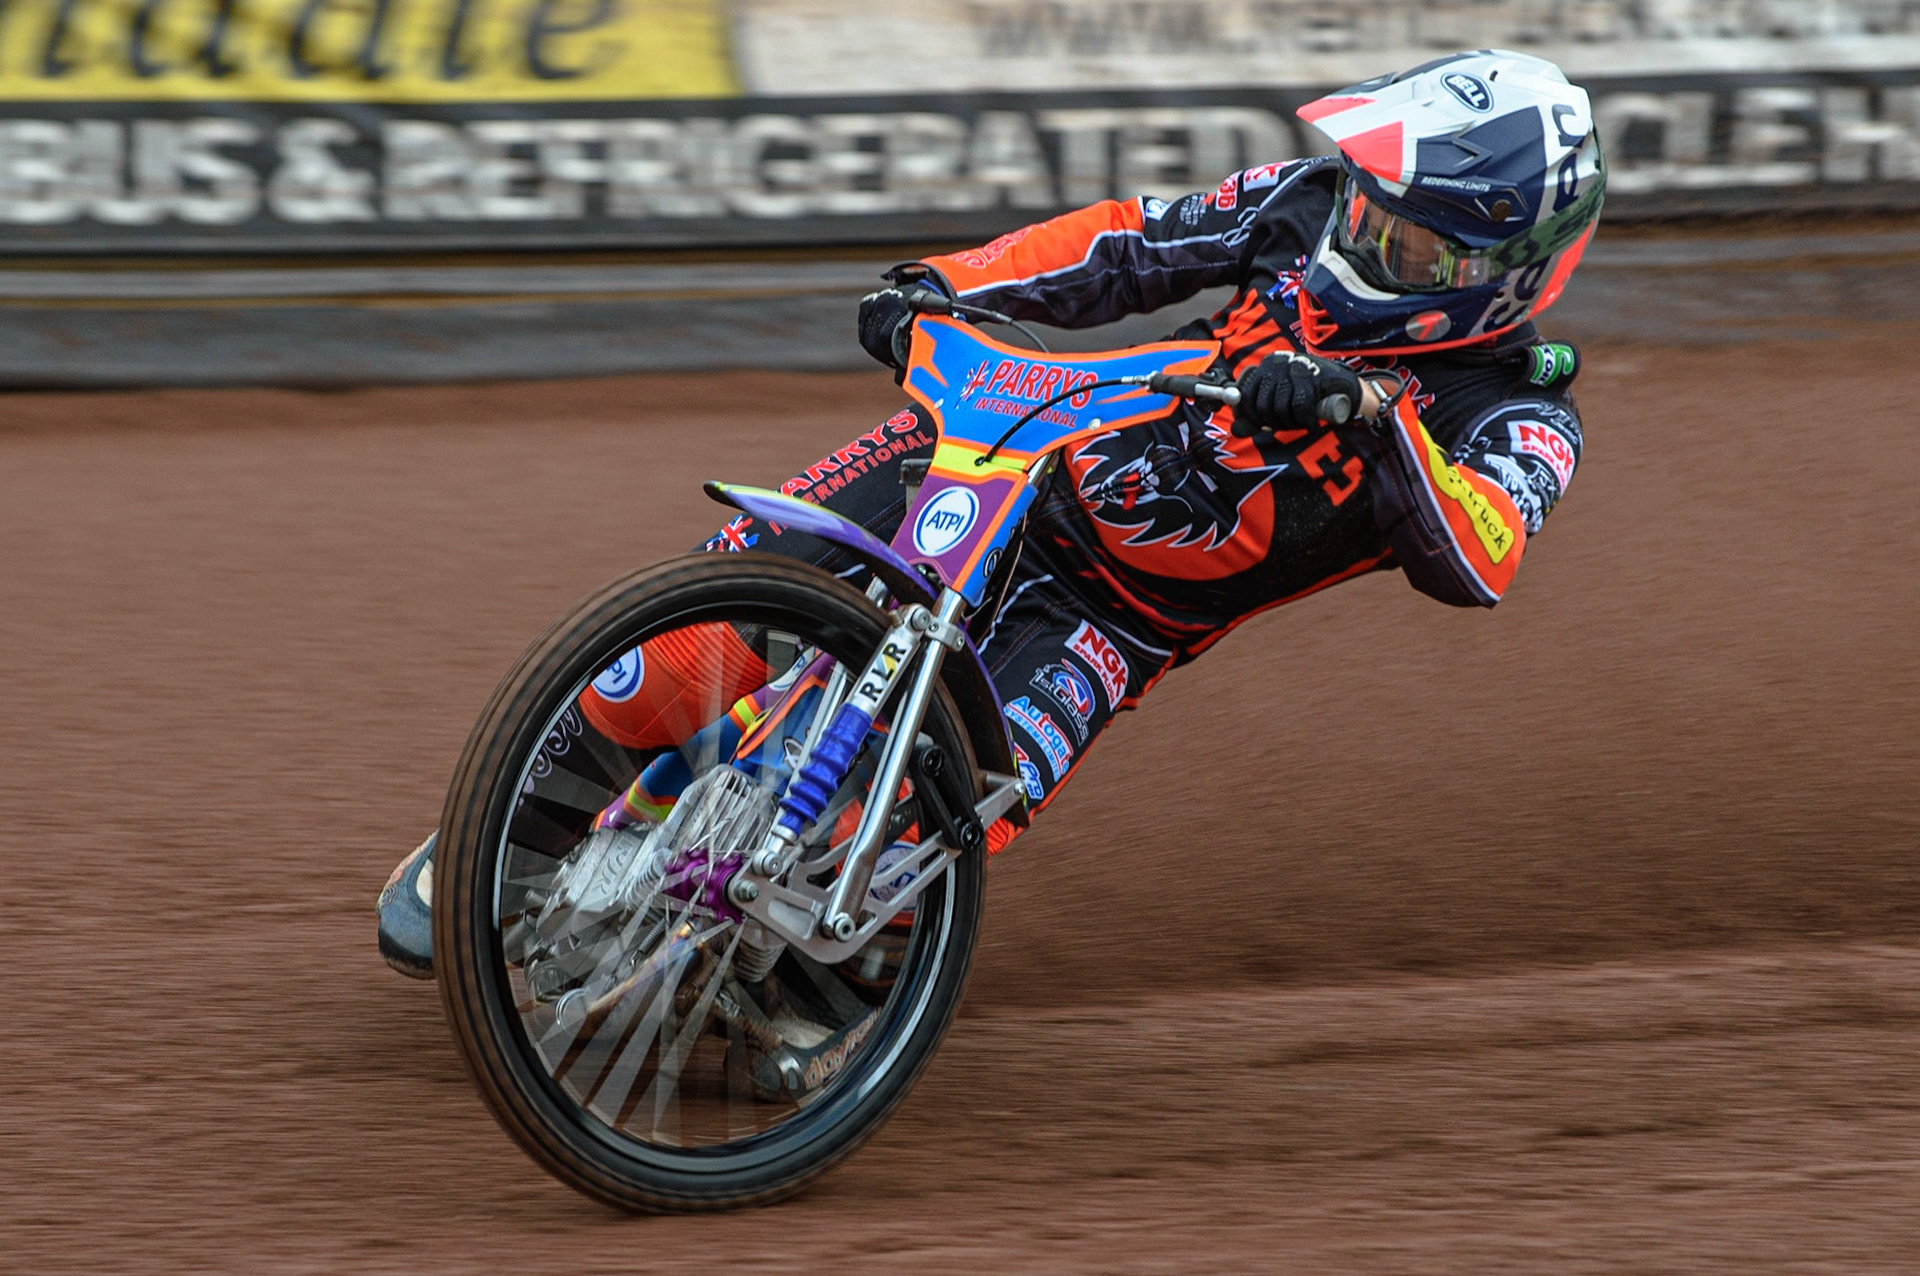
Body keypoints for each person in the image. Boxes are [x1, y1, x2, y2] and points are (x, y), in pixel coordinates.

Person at [379, 49, 1604, 982]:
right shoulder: (1309, 204)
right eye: (1365, 199)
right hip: (1005, 444)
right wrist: (945, 284)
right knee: (674, 655)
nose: (1359, 229)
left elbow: (1478, 554)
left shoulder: (1515, 412)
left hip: (1112, 622)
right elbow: (1128, 243)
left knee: (900, 853)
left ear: (1494, 269)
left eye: (1400, 230)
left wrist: (1373, 416)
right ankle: (507, 843)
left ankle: (818, 1024)